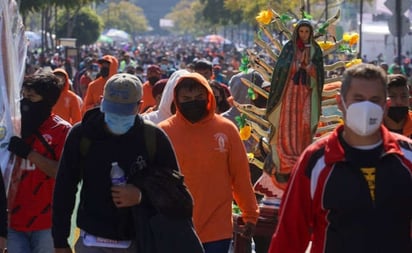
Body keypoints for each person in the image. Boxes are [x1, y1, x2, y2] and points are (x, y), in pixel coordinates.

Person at [268, 63, 412, 253]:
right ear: (340, 102)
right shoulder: (316, 160)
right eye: (358, 99)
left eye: (374, 100)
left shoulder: (407, 156)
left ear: (385, 106)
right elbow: (290, 235)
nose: (366, 107)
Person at [52, 73, 183, 253]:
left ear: (139, 106)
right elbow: (64, 189)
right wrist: (60, 241)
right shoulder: (82, 135)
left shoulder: (153, 138)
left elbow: (175, 190)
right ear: (101, 101)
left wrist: (141, 195)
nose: (118, 117)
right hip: (91, 241)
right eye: (113, 110)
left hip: (139, 241)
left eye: (124, 111)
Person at [158, 72, 259, 253]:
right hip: (175, 227)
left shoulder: (226, 130)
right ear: (177, 100)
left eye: (199, 97)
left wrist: (250, 214)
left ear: (208, 97)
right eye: (186, 98)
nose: (193, 102)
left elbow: (240, 177)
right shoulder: (164, 132)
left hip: (217, 230)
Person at [7, 72, 71, 253]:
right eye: (24, 96)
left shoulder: (62, 131)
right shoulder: (12, 127)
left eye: (31, 97)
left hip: (47, 223)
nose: (24, 103)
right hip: (12, 221)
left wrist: (30, 154)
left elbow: (65, 174)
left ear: (47, 102)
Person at [265, 19, 324, 191]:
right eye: (301, 32)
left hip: (306, 93)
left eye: (307, 32)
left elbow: (319, 74)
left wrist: (310, 68)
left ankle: (301, 154)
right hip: (289, 93)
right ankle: (284, 158)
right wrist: (295, 65)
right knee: (287, 124)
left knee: (303, 124)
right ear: (297, 32)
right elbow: (281, 69)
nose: (304, 35)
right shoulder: (289, 48)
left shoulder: (315, 50)